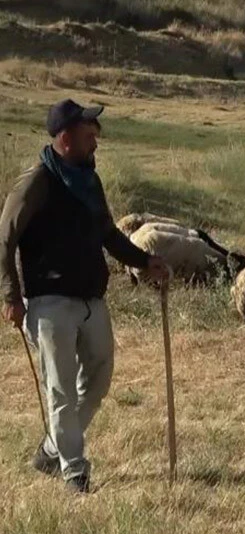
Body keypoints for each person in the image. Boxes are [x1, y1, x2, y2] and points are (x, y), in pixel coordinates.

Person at [0, 99, 169, 493]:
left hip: (92, 300)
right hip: (49, 303)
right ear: (65, 138)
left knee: (98, 379)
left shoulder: (89, 180)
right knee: (59, 388)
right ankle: (75, 471)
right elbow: (5, 237)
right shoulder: (37, 181)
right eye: (88, 135)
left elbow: (108, 233)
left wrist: (145, 261)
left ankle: (51, 448)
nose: (96, 142)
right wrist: (12, 295)